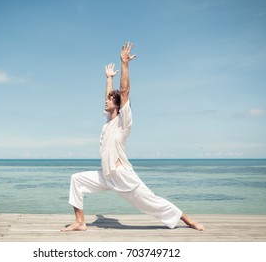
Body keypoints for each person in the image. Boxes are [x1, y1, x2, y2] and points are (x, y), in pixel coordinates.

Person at [61, 42, 204, 232]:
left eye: (110, 100)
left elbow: (125, 91)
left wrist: (124, 64)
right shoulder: (108, 121)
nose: (106, 100)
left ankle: (188, 220)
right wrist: (109, 79)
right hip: (106, 174)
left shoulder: (123, 121)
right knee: (76, 179)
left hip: (122, 176)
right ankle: (80, 222)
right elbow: (109, 95)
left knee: (151, 202)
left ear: (119, 105)